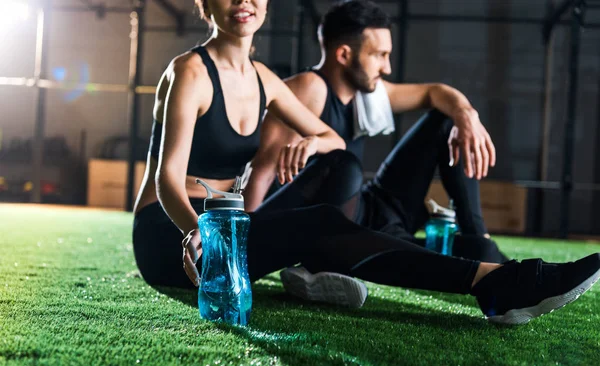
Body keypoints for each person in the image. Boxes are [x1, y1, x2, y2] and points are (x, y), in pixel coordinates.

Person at [132, 0, 600, 325]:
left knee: (342, 167)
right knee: (319, 221)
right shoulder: (189, 71)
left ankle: (489, 279)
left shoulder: (264, 80)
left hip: (228, 233)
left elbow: (333, 140)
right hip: (173, 236)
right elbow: (165, 177)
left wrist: (313, 144)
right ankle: (495, 283)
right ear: (205, 4)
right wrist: (197, 229)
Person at [244, 0, 506, 265]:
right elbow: (261, 175)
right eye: (379, 55)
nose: (387, 67)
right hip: (340, 230)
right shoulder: (308, 89)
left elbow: (435, 93)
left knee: (446, 120)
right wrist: (242, 248)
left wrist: (466, 114)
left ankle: (477, 233)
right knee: (482, 256)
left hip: (377, 209)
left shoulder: (369, 91)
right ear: (344, 55)